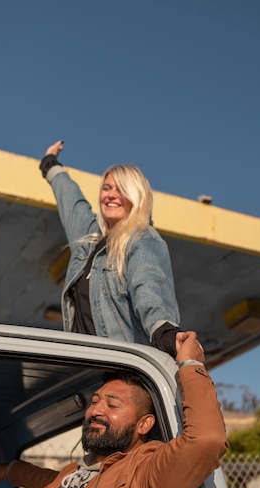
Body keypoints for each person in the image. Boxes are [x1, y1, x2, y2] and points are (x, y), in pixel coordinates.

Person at [0, 332, 228, 488]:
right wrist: (6, 470)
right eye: (95, 401)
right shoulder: (74, 472)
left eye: (112, 404)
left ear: (144, 424)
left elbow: (207, 440)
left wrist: (191, 364)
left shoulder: (146, 473)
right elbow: (40, 479)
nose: (95, 410)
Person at [39, 140, 183, 357]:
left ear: (137, 197)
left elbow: (149, 291)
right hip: (83, 372)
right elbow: (71, 200)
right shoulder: (89, 237)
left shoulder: (142, 239)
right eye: (106, 188)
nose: (111, 195)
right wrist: (50, 164)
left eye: (121, 189)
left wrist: (165, 332)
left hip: (121, 374)